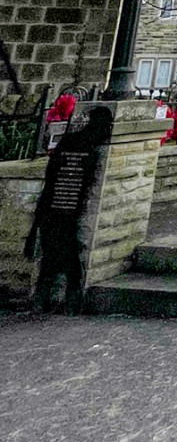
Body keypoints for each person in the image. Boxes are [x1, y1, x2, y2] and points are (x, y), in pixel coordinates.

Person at [24, 104, 113, 313]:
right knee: (65, 254)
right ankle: (66, 300)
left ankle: (45, 298)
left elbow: (52, 175)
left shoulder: (71, 142)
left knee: (53, 255)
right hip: (63, 208)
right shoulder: (86, 146)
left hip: (54, 207)